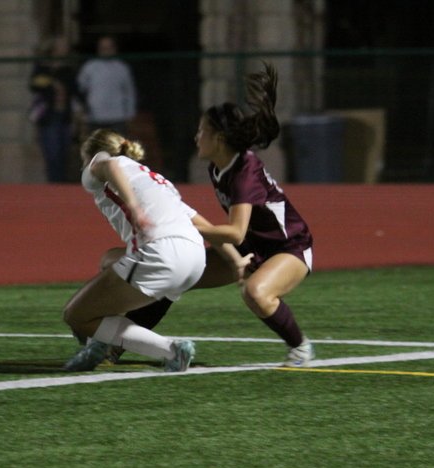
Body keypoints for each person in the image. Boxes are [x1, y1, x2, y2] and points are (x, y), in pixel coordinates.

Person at [103, 63, 316, 368]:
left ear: (218, 139)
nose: (196, 136)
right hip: (249, 249)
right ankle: (116, 345)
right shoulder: (219, 166)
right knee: (173, 274)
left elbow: (235, 233)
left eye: (202, 130)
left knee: (256, 293)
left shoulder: (244, 172)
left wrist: (184, 225)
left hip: (288, 247)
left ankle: (301, 348)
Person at [61, 129, 206, 373]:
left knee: (76, 316)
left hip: (161, 252)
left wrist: (135, 208)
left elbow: (109, 165)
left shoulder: (102, 164)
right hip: (196, 257)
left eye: (84, 160)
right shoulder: (157, 180)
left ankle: (170, 349)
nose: (84, 167)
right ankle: (97, 345)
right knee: (110, 260)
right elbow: (204, 226)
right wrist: (235, 257)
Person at [29, 36, 77, 183]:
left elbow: (75, 89)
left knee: (64, 153)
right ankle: (54, 183)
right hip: (49, 115)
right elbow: (34, 84)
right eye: (60, 46)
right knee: (52, 153)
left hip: (65, 114)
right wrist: (53, 84)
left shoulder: (69, 68)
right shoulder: (43, 66)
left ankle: (62, 182)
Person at [76, 35, 137, 137]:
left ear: (114, 49)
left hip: (118, 117)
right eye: (103, 47)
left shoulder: (122, 68)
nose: (106, 50)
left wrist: (130, 114)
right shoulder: (89, 67)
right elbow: (79, 89)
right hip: (94, 118)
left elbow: (129, 92)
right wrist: (78, 110)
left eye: (109, 47)